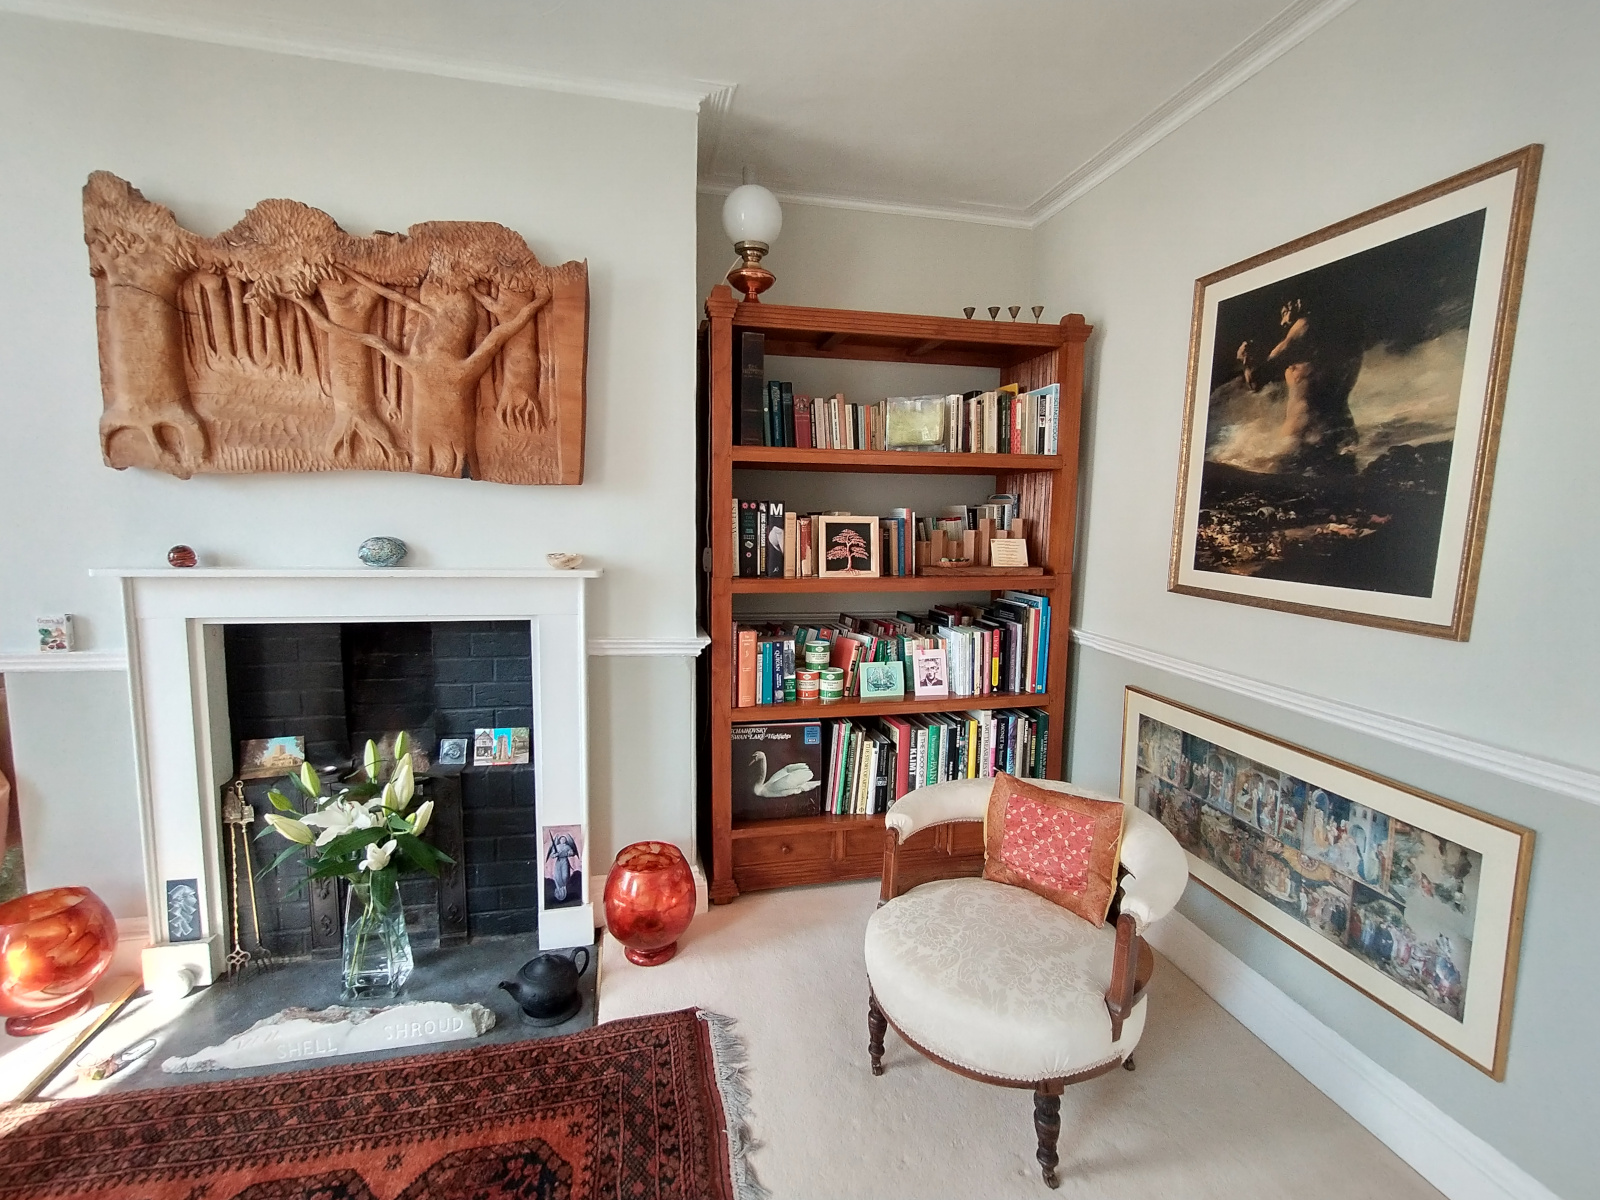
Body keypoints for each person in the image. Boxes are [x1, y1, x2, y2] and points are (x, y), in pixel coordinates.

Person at [1237, 297, 1363, 475]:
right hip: (1343, 431)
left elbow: (1257, 381)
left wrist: (1246, 359)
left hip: (1306, 436)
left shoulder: (1303, 328)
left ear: (1295, 304)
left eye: (1284, 312)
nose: (1282, 322)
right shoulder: (1347, 332)